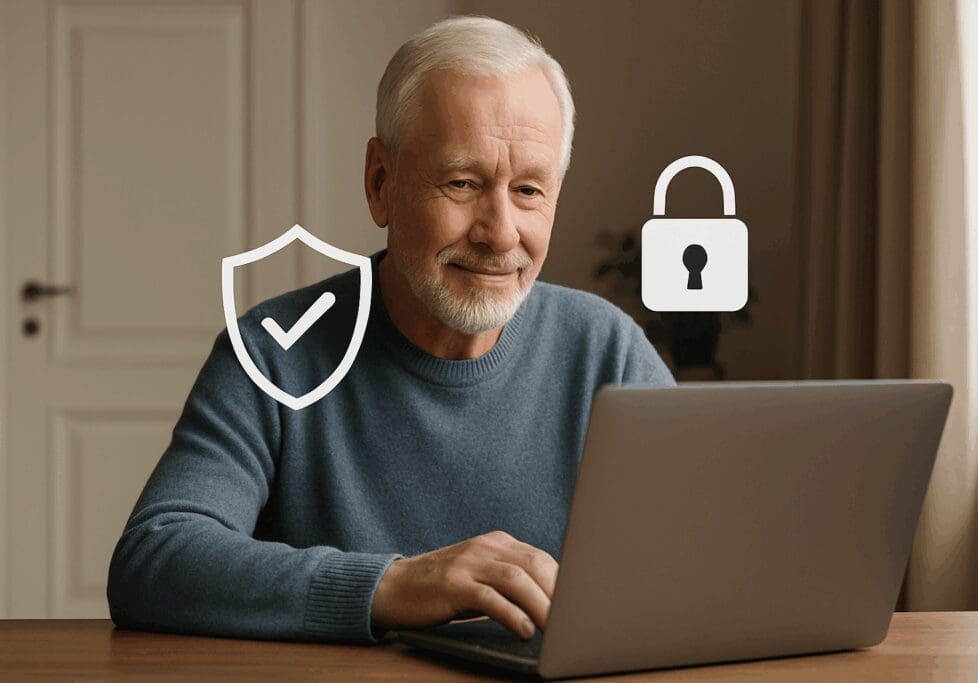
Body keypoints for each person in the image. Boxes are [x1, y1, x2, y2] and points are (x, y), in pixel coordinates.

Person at [106, 14, 674, 646]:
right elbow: (155, 560)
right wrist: (393, 586)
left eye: (530, 190)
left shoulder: (609, 352)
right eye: (462, 183)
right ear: (381, 183)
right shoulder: (275, 352)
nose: (501, 233)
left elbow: (707, 558)